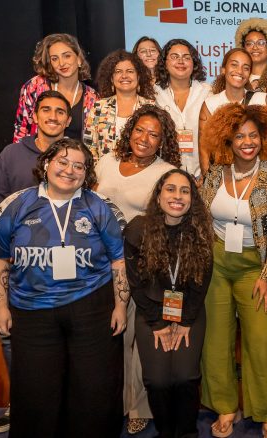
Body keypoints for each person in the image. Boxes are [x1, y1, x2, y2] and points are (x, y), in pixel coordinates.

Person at [0, 138, 127, 438]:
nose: (70, 170)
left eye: (79, 166)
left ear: (86, 173)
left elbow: (118, 260)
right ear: (46, 163)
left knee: (93, 386)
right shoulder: (15, 204)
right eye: (63, 161)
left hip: (90, 306)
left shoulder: (101, 207)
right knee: (35, 389)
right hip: (31, 310)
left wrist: (121, 306)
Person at [198, 104, 267, 438]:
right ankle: (225, 407)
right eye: (239, 136)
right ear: (228, 140)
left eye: (253, 135)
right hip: (217, 265)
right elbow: (202, 220)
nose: (247, 142)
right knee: (215, 340)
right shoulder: (214, 174)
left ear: (264, 138)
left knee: (261, 341)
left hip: (255, 267)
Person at [0, 89, 71, 433]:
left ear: (68, 119)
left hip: (67, 264)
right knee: (13, 334)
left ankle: (62, 404)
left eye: (60, 111)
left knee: (64, 335)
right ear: (34, 116)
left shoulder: (77, 154)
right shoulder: (10, 156)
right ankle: (20, 402)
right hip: (20, 265)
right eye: (46, 110)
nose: (53, 116)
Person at [93, 104, 180, 435]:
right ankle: (113, 403)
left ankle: (139, 408)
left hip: (143, 264)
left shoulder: (166, 173)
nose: (144, 138)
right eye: (140, 130)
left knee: (140, 338)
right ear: (129, 132)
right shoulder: (105, 163)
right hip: (101, 263)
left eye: (154, 134)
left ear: (163, 141)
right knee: (112, 336)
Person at [124, 168, 214, 438]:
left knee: (185, 377)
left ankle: (187, 433)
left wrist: (185, 321)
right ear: (159, 195)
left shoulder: (200, 231)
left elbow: (201, 283)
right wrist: (159, 323)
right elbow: (135, 283)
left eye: (185, 191)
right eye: (171, 189)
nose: (177, 196)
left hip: (189, 311)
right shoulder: (137, 229)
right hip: (150, 311)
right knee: (158, 381)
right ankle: (165, 432)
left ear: (192, 199)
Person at [13, 33, 97, 142]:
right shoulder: (35, 87)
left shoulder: (93, 98)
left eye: (67, 56)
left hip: (76, 153)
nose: (61, 63)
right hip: (37, 152)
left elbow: (94, 142)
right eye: (54, 59)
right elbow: (21, 130)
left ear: (79, 59)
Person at [198, 48, 267, 175]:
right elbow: (204, 149)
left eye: (245, 68)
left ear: (249, 74)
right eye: (234, 65)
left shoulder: (261, 100)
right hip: (223, 176)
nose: (239, 71)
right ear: (223, 69)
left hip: (257, 174)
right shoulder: (210, 104)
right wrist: (208, 180)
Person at [83, 50, 156, 159]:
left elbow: (156, 143)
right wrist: (98, 168)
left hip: (142, 167)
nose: (124, 76)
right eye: (118, 71)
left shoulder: (151, 107)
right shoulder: (99, 107)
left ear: (138, 77)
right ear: (111, 78)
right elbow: (89, 146)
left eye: (130, 71)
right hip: (104, 168)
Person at [154, 38, 211, 177]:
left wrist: (206, 174)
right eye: (174, 57)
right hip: (163, 174)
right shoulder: (154, 94)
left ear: (194, 63)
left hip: (202, 174)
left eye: (186, 57)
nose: (181, 61)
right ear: (165, 63)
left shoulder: (207, 92)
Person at [234, 17, 267, 90]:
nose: (255, 47)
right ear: (243, 49)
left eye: (261, 43)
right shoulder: (235, 77)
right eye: (249, 43)